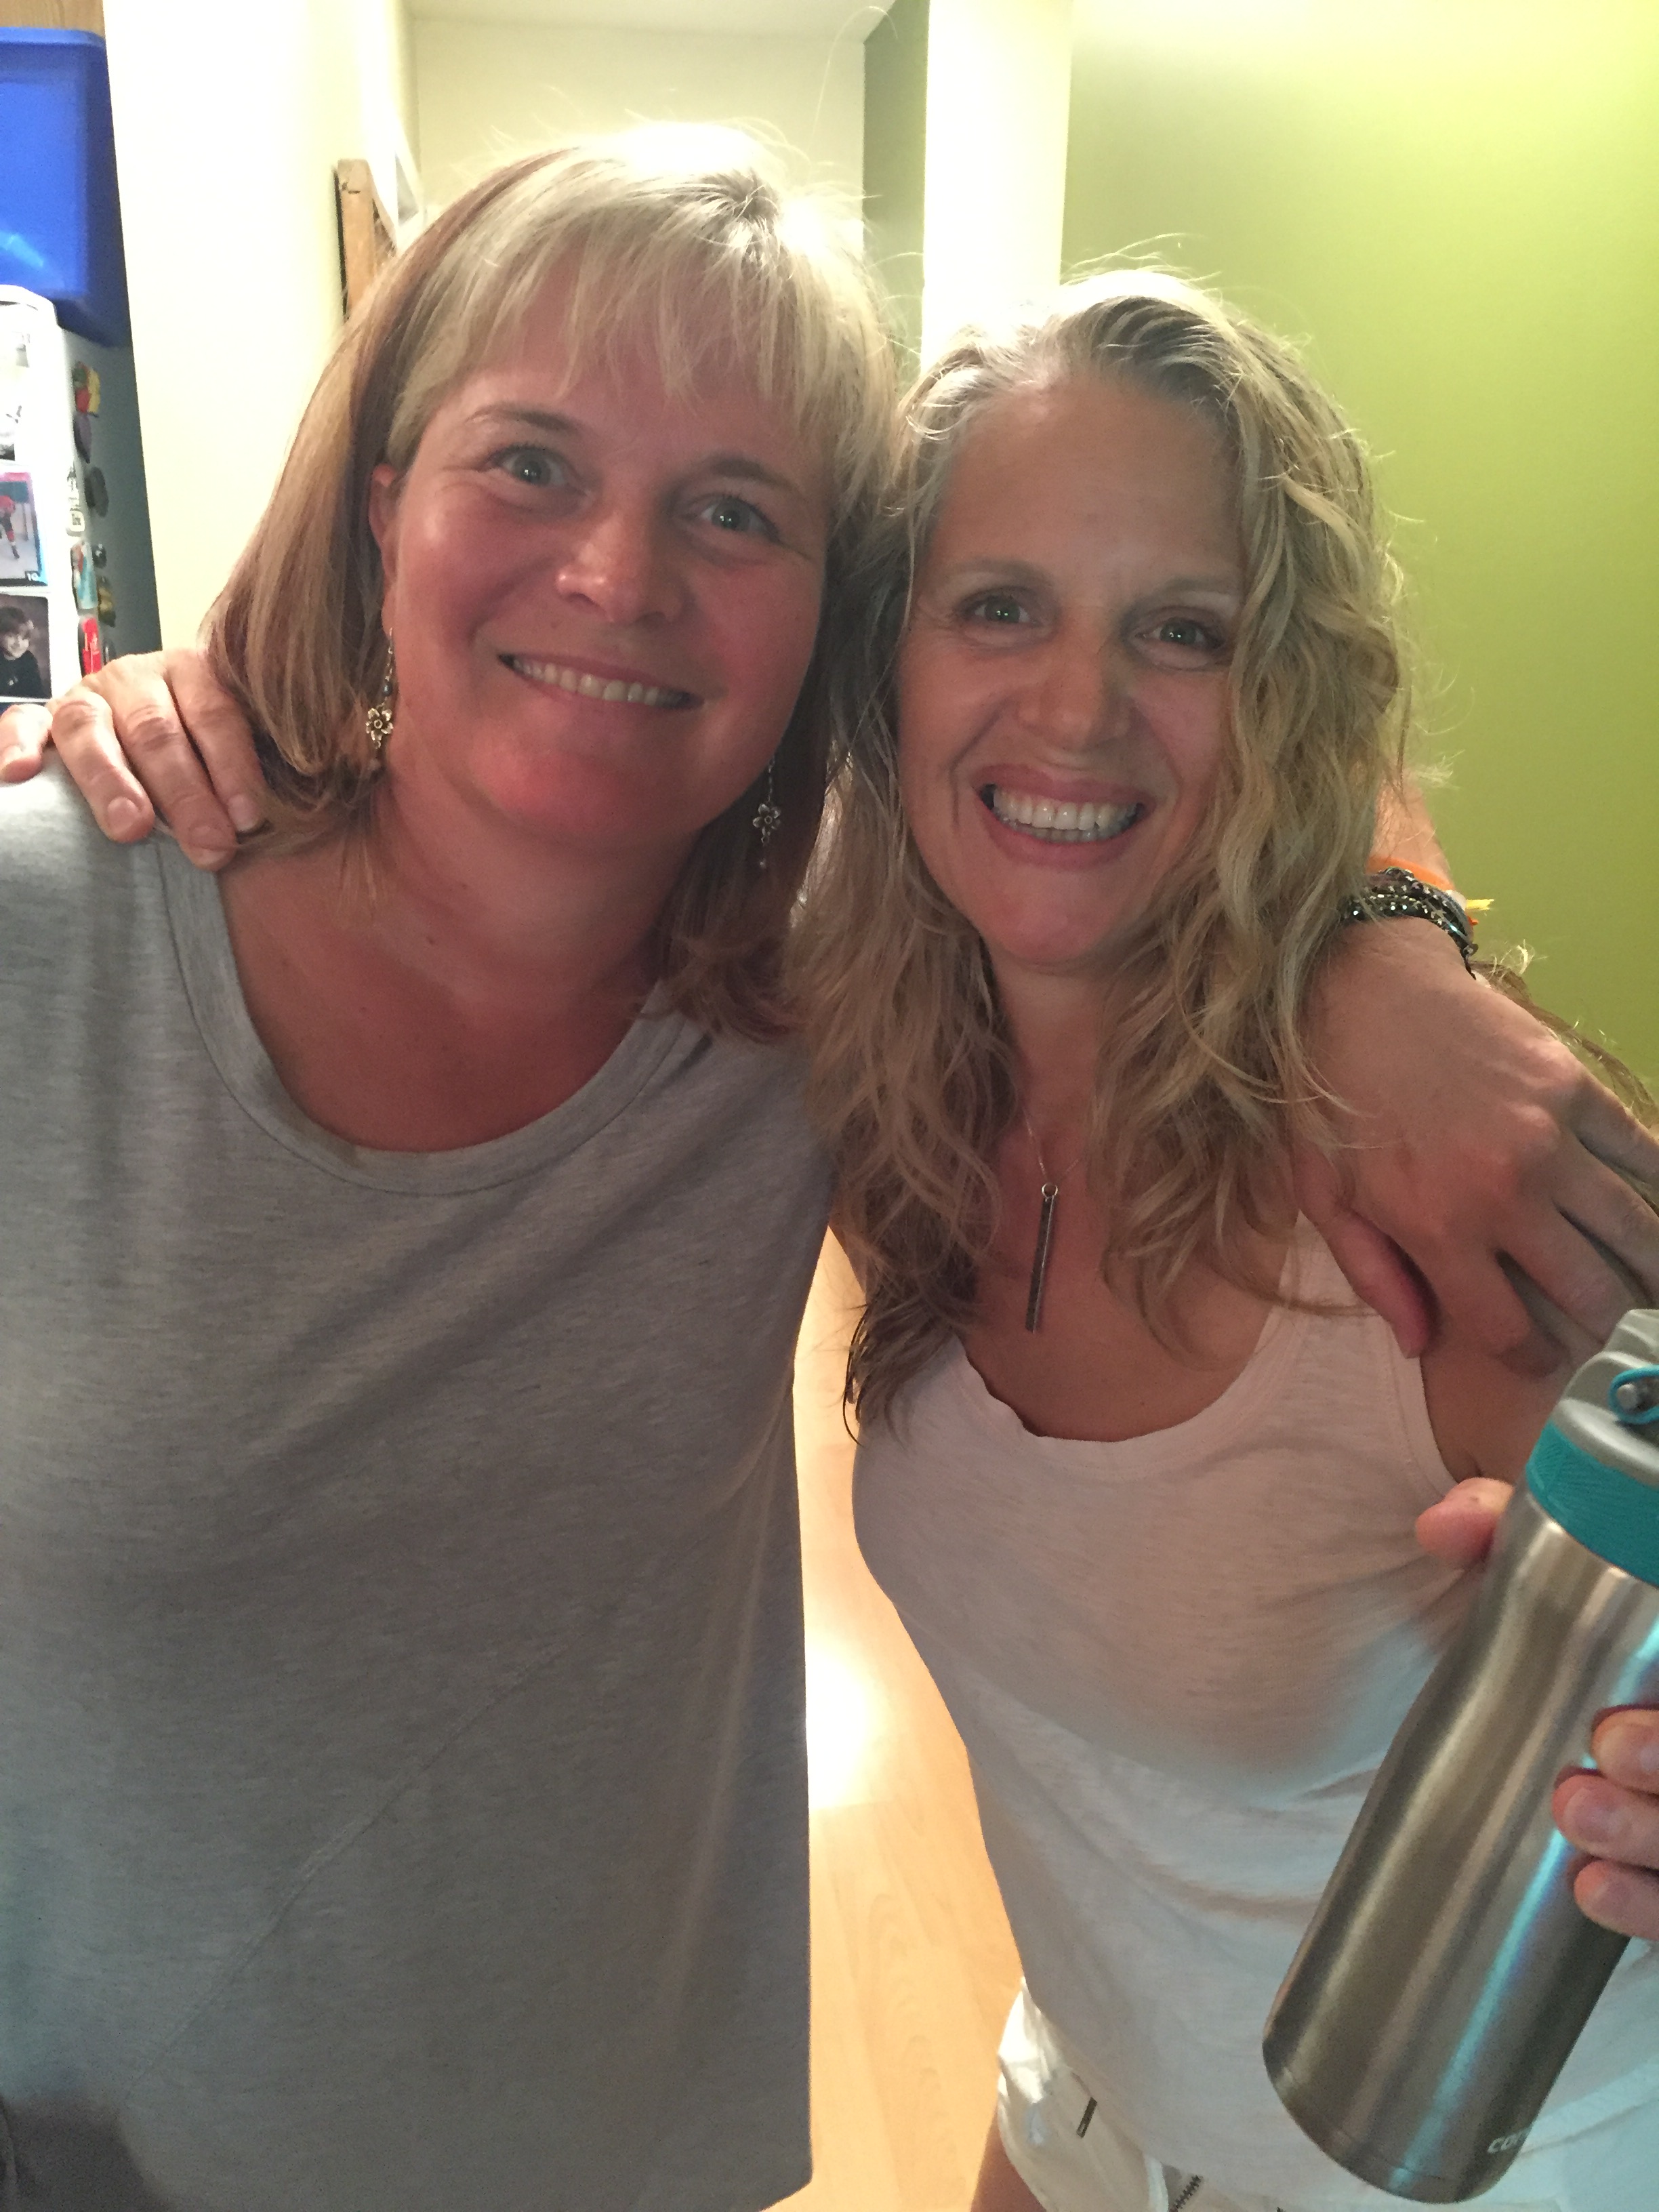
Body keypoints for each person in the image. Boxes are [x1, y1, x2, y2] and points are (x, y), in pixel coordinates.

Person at [5, 147, 1659, 2212]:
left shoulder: (882, 1054)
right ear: (383, 501)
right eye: (531, 463)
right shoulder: (863, 1056)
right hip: (1056, 2106)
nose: (619, 572)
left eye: (734, 510)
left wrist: (1391, 943)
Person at [793, 272, 1659, 2212]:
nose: (1076, 709)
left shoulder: (1439, 1216)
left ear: (1285, 702)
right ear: (887, 662)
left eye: (1183, 630)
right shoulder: (888, 1094)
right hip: (1097, 2077)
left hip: (1470, 2163)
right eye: (997, 606)